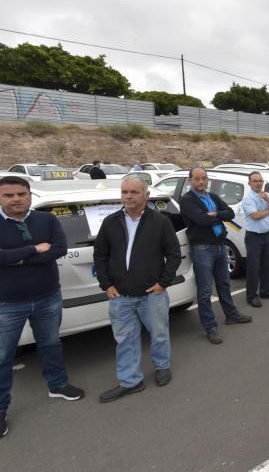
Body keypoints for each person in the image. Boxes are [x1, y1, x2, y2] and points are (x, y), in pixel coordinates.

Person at [0, 176, 84, 437]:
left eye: (21, 194)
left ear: (29, 195)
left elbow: (59, 249)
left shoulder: (46, 220)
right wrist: (33, 250)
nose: (16, 199)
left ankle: (57, 385)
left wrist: (16, 259)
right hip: (7, 303)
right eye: (9, 195)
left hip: (48, 296)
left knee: (50, 344)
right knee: (3, 356)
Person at [93, 174, 180, 402]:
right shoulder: (111, 222)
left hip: (152, 294)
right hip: (120, 296)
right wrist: (107, 285)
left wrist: (163, 283)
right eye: (125, 192)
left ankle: (162, 366)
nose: (128, 196)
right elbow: (100, 256)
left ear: (146, 195)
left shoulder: (160, 222)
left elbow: (173, 254)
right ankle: (131, 381)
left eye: (134, 192)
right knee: (125, 339)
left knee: (159, 333)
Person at [180, 168, 251, 345]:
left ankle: (231, 315)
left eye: (204, 178)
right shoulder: (187, 200)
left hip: (220, 245)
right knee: (205, 290)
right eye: (197, 179)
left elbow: (230, 213)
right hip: (202, 249)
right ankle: (210, 327)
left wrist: (216, 214)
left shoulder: (212, 197)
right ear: (190, 181)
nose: (201, 182)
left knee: (224, 284)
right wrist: (216, 216)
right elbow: (201, 220)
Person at [240, 172, 269, 308]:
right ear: (250, 183)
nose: (258, 183)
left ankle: (265, 291)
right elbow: (255, 216)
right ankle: (251, 296)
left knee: (267, 265)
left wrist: (268, 201)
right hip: (254, 237)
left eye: (260, 181)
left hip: (267, 235)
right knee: (253, 267)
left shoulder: (267, 195)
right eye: (255, 181)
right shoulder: (247, 199)